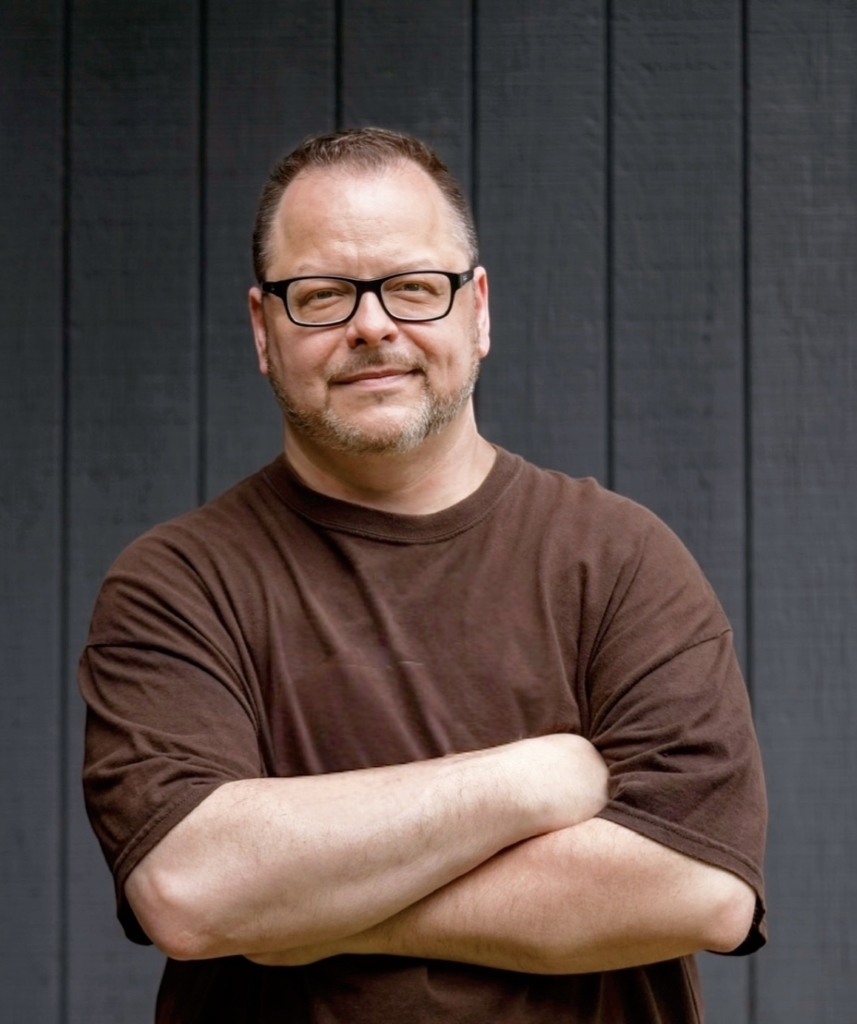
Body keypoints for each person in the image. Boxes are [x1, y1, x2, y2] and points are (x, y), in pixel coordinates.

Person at [80, 127, 767, 1024]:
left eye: (413, 287)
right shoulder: (175, 585)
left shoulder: (620, 559)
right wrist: (531, 781)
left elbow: (698, 889)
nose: (372, 325)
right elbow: (191, 887)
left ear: (476, 311)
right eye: (321, 295)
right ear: (263, 328)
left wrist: (298, 912)